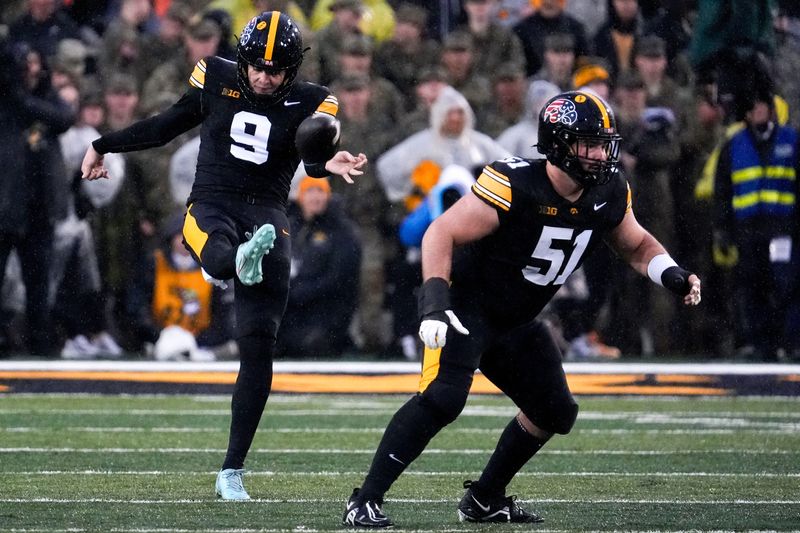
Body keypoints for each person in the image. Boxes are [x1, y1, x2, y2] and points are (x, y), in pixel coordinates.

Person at [342, 90, 701, 527]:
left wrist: (673, 274)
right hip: (465, 306)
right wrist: (434, 304)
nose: (598, 153)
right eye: (586, 142)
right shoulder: (517, 184)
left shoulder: (607, 191)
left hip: (517, 319)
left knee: (555, 412)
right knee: (444, 397)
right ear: (557, 142)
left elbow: (637, 244)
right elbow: (440, 232)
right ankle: (365, 499)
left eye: (602, 142)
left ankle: (484, 499)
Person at [81, 11, 367, 500]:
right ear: (243, 58)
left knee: (258, 345)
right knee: (216, 257)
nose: (262, 76)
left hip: (269, 213)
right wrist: (104, 144)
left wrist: (327, 162)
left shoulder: (316, 100)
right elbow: (166, 125)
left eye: (275, 70)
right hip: (213, 201)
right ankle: (237, 262)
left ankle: (232, 469)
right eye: (256, 65)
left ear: (293, 68)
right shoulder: (214, 74)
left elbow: (315, 156)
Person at [277, 176, 361, 357]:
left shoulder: (342, 231)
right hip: (292, 307)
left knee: (312, 343)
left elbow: (339, 279)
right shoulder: (289, 226)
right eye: (309, 191)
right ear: (300, 196)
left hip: (325, 310)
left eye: (320, 191)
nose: (315, 197)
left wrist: (300, 292)